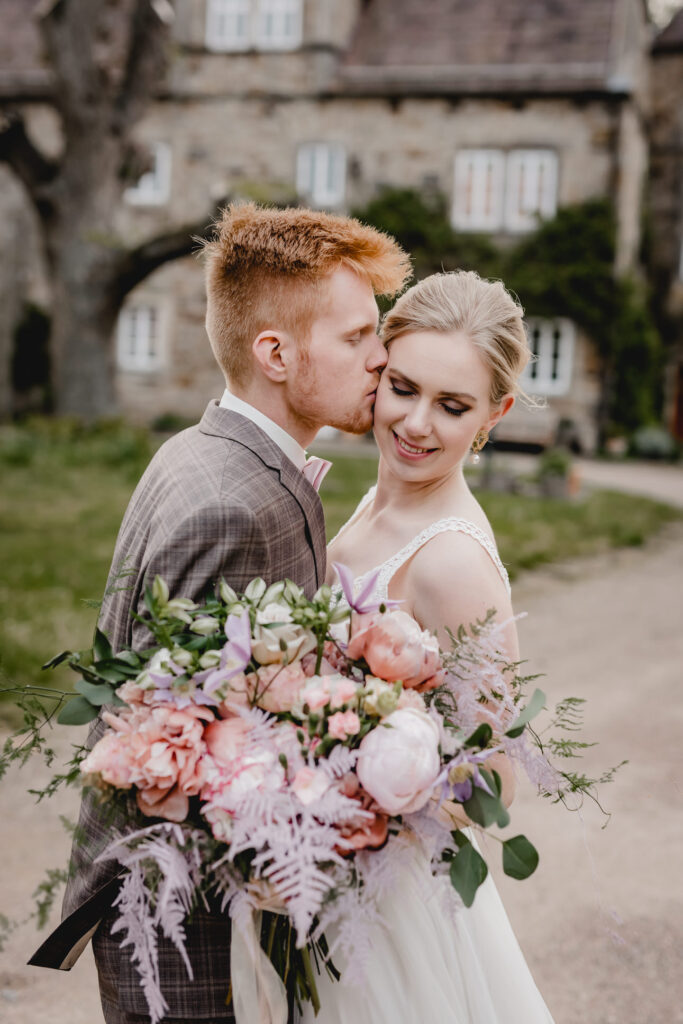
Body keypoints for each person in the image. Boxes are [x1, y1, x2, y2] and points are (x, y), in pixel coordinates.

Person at [55, 202, 411, 1024]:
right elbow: (160, 759)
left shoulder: (209, 451)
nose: (380, 356)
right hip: (190, 933)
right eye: (356, 337)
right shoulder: (230, 508)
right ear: (275, 354)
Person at [307, 270, 555, 1023]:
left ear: (494, 413)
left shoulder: (451, 562)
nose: (415, 424)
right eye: (403, 388)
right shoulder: (376, 501)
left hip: (387, 903)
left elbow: (497, 783)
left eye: (451, 407)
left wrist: (371, 767)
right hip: (322, 870)